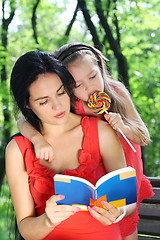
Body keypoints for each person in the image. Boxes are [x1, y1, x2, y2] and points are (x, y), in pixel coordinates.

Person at [17, 43, 154, 239]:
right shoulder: (71, 106)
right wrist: (37, 139)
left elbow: (143, 136)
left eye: (93, 76)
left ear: (100, 67)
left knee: (127, 228)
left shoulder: (116, 91)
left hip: (127, 184)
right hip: (100, 195)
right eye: (78, 85)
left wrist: (123, 127)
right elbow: (23, 120)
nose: (90, 87)